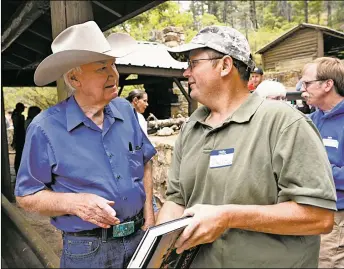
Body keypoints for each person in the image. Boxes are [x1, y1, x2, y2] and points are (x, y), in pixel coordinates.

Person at [156, 25, 337, 268]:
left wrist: (229, 217)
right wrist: (159, 247)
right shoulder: (191, 128)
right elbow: (176, 200)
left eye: (193, 63)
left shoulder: (284, 123)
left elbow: (319, 217)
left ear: (225, 65)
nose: (186, 72)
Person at [14, 21, 156, 268]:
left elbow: (145, 162)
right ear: (74, 78)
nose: (114, 74)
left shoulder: (125, 109)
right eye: (102, 68)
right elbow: (26, 196)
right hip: (88, 251)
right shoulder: (45, 128)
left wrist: (150, 217)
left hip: (139, 237)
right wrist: (74, 203)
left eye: (113, 64)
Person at [300, 57, 344, 268]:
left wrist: (315, 168)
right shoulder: (312, 120)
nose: (302, 88)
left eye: (307, 83)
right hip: (310, 213)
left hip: (337, 218)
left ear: (328, 84)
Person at [126, 89, 160, 217]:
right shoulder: (136, 117)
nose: (147, 104)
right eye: (144, 101)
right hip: (139, 165)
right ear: (135, 101)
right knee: (149, 201)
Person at [11, 102, 26, 175]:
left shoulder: (17, 116)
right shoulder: (18, 116)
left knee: (19, 155)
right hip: (20, 137)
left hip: (20, 137)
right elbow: (17, 129)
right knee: (19, 155)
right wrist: (15, 140)